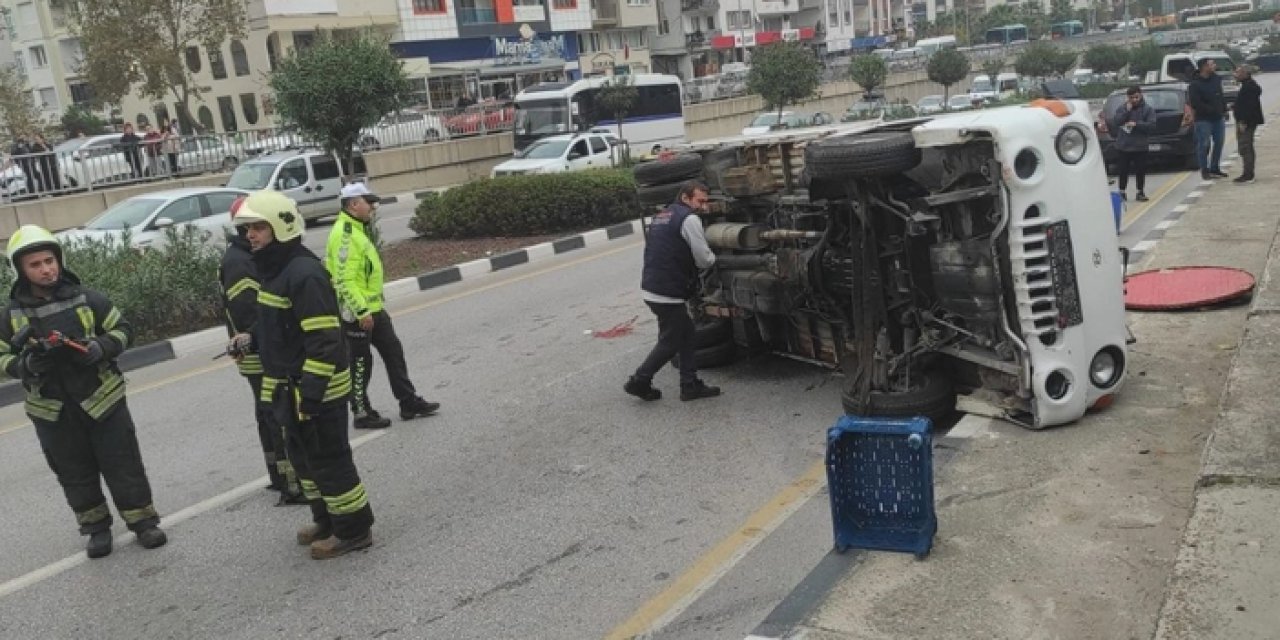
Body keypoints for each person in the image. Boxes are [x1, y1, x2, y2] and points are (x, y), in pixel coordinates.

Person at [0, 225, 167, 559]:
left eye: (49, 260)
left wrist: (100, 348)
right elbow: (3, 355)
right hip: (52, 411)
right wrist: (24, 367)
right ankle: (96, 530)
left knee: (123, 464)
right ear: (20, 270)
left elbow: (124, 330)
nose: (46, 269)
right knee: (73, 471)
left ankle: (143, 523)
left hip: (103, 399)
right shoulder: (9, 316)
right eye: (35, 264)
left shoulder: (89, 299)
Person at [229, 190, 374, 559]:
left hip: (315, 392)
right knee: (305, 463)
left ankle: (353, 530)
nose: (251, 235)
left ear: (280, 226)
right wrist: (250, 339)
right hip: (290, 390)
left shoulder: (304, 274)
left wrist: (311, 393)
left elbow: (324, 340)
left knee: (330, 460)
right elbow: (277, 326)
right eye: (248, 229)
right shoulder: (276, 270)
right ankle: (326, 519)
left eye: (258, 227)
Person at [325, 183, 440, 429]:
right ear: (354, 205)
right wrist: (361, 312)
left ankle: (408, 401)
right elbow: (344, 280)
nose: (373, 207)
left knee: (393, 353)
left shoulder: (357, 229)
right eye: (369, 202)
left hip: (373, 308)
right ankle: (360, 412)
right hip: (356, 313)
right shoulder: (345, 235)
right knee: (360, 363)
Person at [218, 203, 305, 505]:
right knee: (277, 417)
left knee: (268, 416)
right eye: (253, 225)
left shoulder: (244, 255)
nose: (254, 233)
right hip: (259, 355)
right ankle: (291, 483)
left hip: (259, 351)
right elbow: (250, 313)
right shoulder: (240, 262)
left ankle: (278, 477)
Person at [624, 182, 722, 402]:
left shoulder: (662, 215)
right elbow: (704, 259)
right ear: (686, 198)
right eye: (700, 201)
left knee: (686, 334)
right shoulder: (689, 219)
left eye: (706, 202)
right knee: (671, 341)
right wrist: (716, 259)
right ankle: (640, 381)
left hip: (653, 286)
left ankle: (690, 385)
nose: (703, 207)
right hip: (667, 291)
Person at [1108, 86, 1157, 202]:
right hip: (1124, 146)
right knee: (1123, 170)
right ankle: (1122, 191)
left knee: (1140, 170)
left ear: (1141, 95)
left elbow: (1152, 126)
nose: (1134, 100)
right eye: (1131, 98)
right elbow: (1117, 121)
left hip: (1140, 146)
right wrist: (1126, 111)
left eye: (1136, 97)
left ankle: (1140, 191)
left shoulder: (1147, 109)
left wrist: (1137, 124)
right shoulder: (1122, 108)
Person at [1186, 58, 1229, 180]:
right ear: (1204, 67)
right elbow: (1195, 103)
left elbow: (1220, 95)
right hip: (1203, 119)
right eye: (1212, 64)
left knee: (1219, 142)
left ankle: (1215, 167)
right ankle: (1204, 169)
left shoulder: (1216, 79)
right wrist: (1210, 109)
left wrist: (1224, 109)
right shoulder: (1194, 84)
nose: (1214, 66)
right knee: (1203, 144)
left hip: (1218, 117)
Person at [1232, 65, 1263, 185]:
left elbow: (1248, 107)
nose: (1236, 75)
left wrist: (1243, 121)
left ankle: (1248, 174)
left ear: (1246, 74)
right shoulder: (1246, 86)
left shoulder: (1249, 87)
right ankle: (1247, 172)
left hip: (1246, 122)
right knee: (1244, 146)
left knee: (1245, 146)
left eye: (1238, 72)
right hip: (1245, 121)